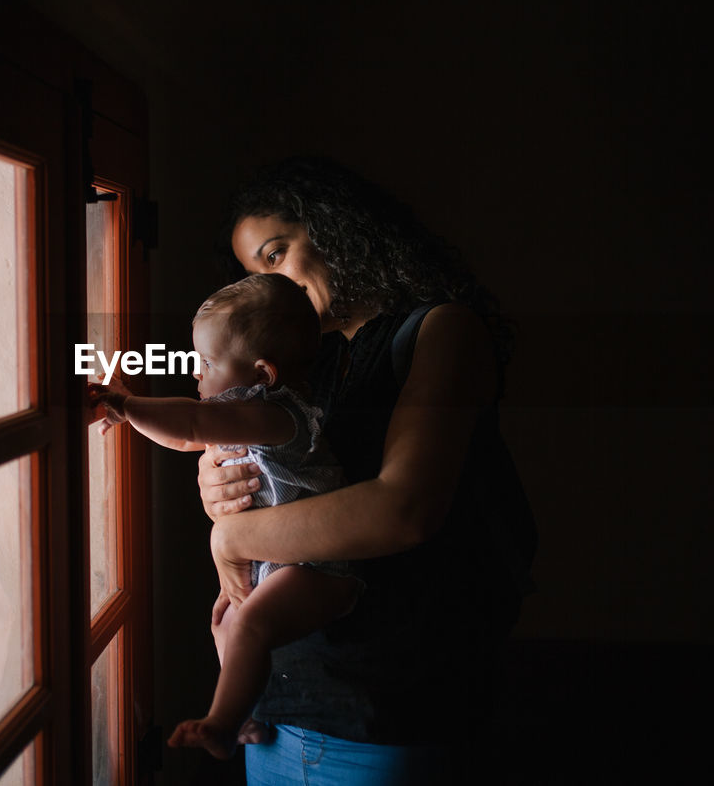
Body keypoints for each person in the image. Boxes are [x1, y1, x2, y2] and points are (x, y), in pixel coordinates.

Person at [197, 156, 536, 785]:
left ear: (337, 231)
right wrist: (220, 485)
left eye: (276, 253)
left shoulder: (439, 331)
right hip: (275, 708)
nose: (271, 281)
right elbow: (271, 478)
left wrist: (231, 537)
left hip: (387, 714)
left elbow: (402, 508)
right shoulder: (301, 368)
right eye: (253, 271)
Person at [88, 272, 362, 760]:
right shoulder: (238, 418)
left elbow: (192, 421)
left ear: (261, 376)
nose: (196, 374)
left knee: (250, 623)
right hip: (279, 561)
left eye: (207, 362)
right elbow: (185, 436)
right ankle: (247, 717)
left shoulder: (274, 414)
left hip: (319, 568)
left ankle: (220, 723)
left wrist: (125, 404)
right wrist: (127, 416)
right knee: (227, 623)